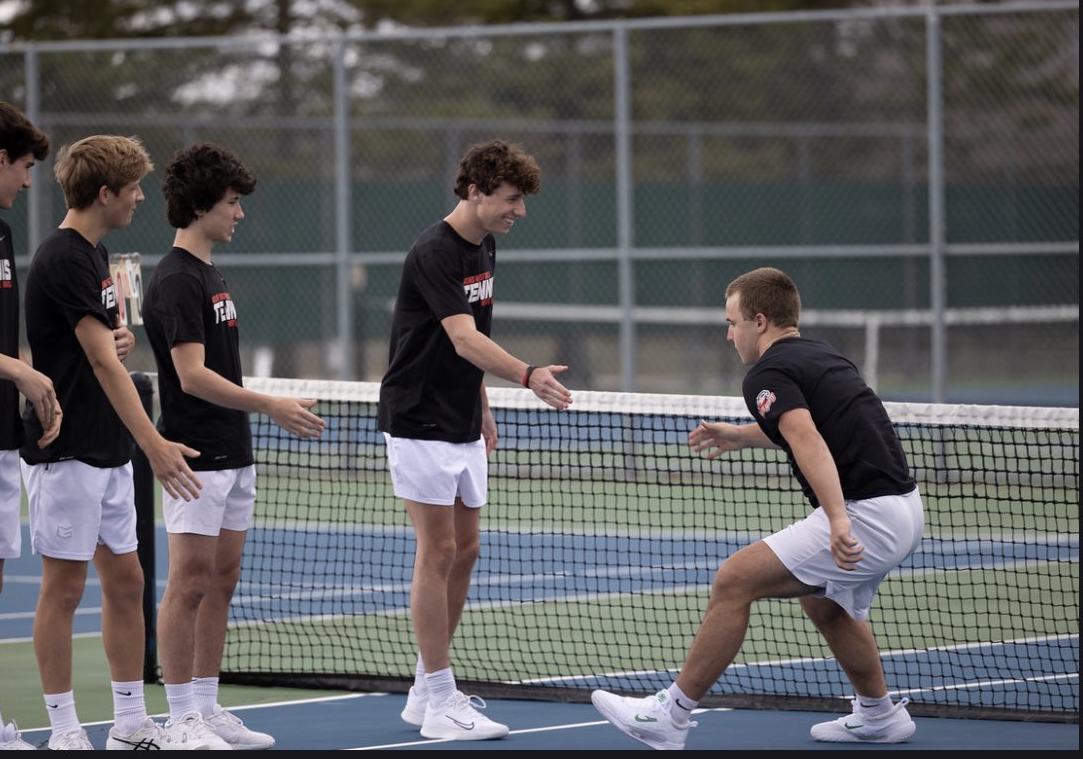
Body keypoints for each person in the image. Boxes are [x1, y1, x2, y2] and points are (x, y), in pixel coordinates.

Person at [591, 266, 924, 750]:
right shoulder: (820, 354)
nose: (729, 335)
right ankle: (879, 715)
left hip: (866, 513)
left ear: (760, 320)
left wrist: (836, 518)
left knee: (734, 579)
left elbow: (807, 438)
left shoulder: (766, 372)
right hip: (905, 508)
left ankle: (671, 714)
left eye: (732, 322)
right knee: (824, 600)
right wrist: (740, 435)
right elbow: (812, 426)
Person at [20, 134, 214, 751]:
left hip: (105, 447)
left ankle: (130, 722)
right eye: (132, 189)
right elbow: (102, 366)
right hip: (67, 449)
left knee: (127, 581)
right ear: (103, 193)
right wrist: (154, 443)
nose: (138, 199)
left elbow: (100, 348)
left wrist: (114, 342)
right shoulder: (64, 257)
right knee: (65, 587)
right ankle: (64, 728)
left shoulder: (95, 256)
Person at [377, 139, 573, 742]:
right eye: (512, 200)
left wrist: (481, 400)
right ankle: (439, 697)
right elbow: (461, 337)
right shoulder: (435, 251)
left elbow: (469, 335)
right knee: (436, 552)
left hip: (460, 418)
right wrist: (526, 375)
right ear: (475, 191)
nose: (520, 211)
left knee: (466, 551)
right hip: (418, 419)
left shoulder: (485, 245)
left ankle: (423, 689)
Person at [142, 142, 326, 750]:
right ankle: (180, 718)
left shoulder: (211, 273)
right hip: (193, 456)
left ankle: (207, 705)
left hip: (234, 451)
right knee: (188, 582)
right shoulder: (173, 279)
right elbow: (191, 375)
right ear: (200, 207)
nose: (240, 213)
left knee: (222, 579)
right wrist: (270, 404)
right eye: (231, 202)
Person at [0, 102, 61, 752]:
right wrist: (24, 373)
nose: (30, 182)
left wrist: (26, 379)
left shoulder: (2, 234)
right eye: (26, 168)